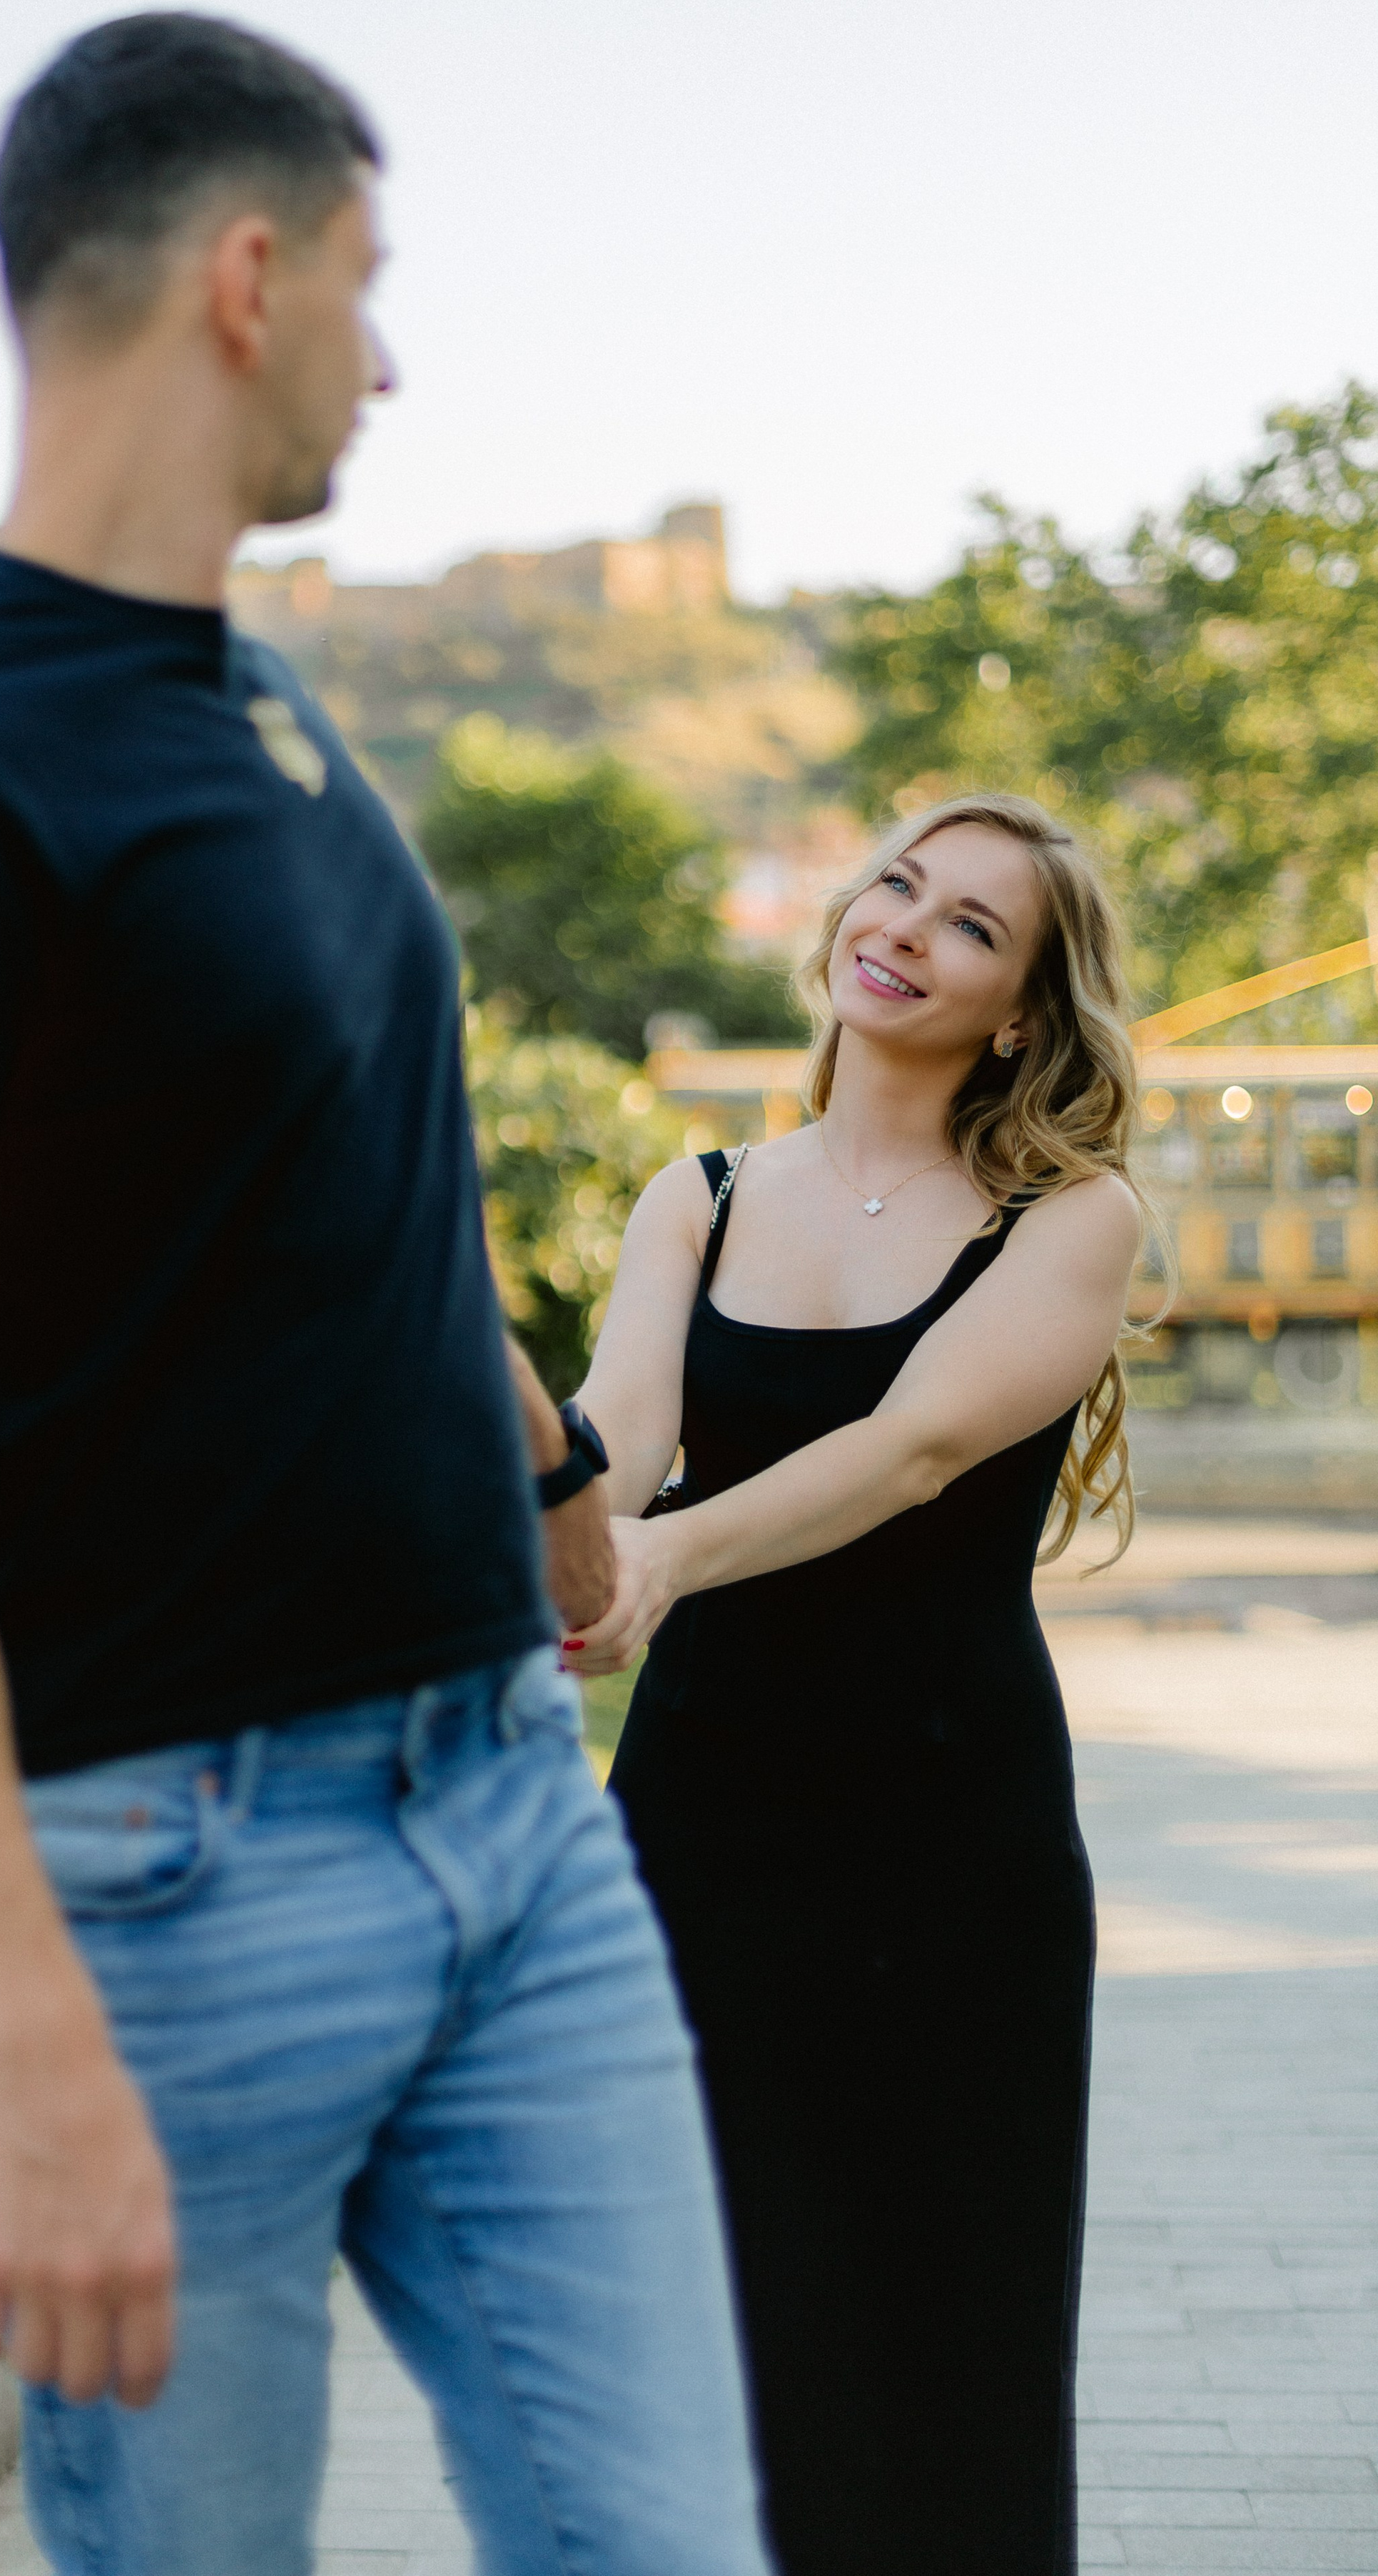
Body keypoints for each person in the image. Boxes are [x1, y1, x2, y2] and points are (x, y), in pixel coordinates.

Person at [0, 14, 769, 2576]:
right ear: (248, 271)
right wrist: (19, 2026)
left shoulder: (270, 713)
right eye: (370, 290)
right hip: (169, 1898)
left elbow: (355, 1181)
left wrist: (544, 1472)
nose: (387, 363)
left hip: (508, 1816)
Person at [567, 793, 1145, 2576]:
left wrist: (659, 1556)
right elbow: (620, 1442)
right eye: (897, 883)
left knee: (939, 2352)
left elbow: (907, 1453)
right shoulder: (701, 1194)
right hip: (697, 1832)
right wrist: (547, 1510)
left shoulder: (1069, 1220)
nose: (903, 925)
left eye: (970, 924)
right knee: (698, 2329)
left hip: (946, 1846)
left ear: (1022, 1013)